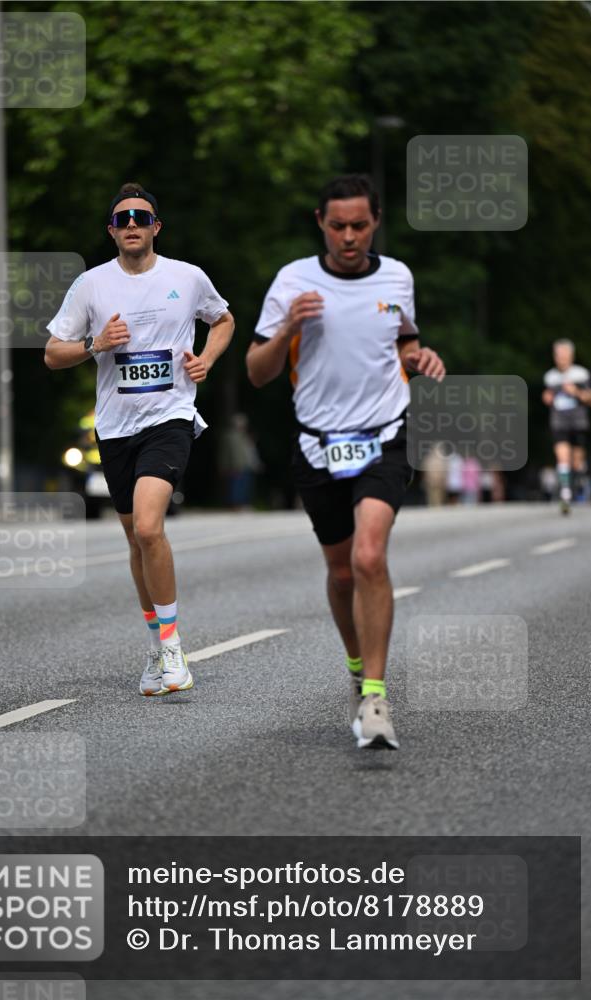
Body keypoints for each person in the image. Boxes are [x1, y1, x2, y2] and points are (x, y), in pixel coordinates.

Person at [247, 174, 445, 750]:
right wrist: (289, 326)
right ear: (320, 223)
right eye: (338, 226)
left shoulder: (397, 276)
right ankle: (357, 664)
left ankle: (376, 697)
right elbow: (257, 373)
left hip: (385, 434)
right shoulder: (293, 281)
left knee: (368, 555)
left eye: (360, 225)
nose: (349, 236)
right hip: (317, 443)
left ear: (376, 221)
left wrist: (419, 354)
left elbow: (403, 340)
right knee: (339, 573)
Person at [45, 182, 234, 695]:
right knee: (134, 538)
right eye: (122, 218)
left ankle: (172, 650)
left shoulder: (187, 277)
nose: (132, 224)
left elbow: (223, 319)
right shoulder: (91, 285)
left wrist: (208, 359)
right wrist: (94, 343)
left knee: (150, 528)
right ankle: (156, 645)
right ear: (112, 230)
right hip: (115, 426)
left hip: (170, 417)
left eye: (141, 217)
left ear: (156, 228)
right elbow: (52, 353)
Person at [542, 339, 591, 513]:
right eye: (558, 355)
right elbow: (549, 396)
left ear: (571, 356)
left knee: (577, 462)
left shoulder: (581, 374)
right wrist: (547, 397)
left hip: (578, 422)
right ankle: (565, 494)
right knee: (562, 457)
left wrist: (576, 392)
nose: (561, 358)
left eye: (564, 355)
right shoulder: (550, 376)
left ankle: (578, 481)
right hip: (559, 421)